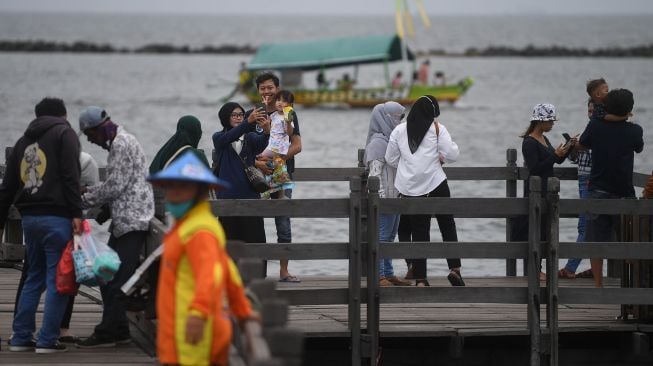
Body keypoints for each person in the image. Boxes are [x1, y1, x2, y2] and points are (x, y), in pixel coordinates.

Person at [147, 151, 258, 365]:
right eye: (169, 186)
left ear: (198, 191)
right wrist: (242, 310)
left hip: (192, 334)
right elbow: (229, 272)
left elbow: (211, 273)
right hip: (190, 329)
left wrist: (198, 313)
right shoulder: (190, 225)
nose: (172, 193)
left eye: (181, 187)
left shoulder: (199, 230)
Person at [1, 97, 83, 353]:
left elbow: (8, 188)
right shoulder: (64, 133)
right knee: (57, 279)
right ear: (63, 114)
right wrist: (77, 213)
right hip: (56, 217)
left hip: (30, 220)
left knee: (33, 278)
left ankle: (20, 337)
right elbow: (71, 175)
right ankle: (48, 340)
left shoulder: (22, 142)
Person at [76, 106, 154, 348]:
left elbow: (114, 187)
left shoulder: (120, 144)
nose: (91, 141)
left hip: (132, 220)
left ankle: (108, 331)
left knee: (115, 278)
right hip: (127, 219)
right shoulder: (125, 140)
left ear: (98, 130)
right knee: (108, 273)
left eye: (90, 136)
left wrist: (85, 197)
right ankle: (119, 329)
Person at [385, 95, 465, 287]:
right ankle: (454, 269)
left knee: (419, 231)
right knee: (447, 224)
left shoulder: (399, 130)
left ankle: (421, 278)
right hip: (436, 183)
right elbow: (452, 155)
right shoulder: (437, 128)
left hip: (409, 187)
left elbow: (390, 158)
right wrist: (439, 157)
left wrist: (408, 167)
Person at [579, 89, 643, 288]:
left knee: (595, 241)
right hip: (625, 192)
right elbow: (639, 148)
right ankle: (631, 284)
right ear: (629, 109)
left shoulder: (596, 125)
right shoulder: (635, 130)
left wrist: (602, 117)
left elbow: (581, 144)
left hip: (598, 189)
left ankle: (599, 285)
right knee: (629, 241)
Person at [245, 72, 302, 282]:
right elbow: (245, 148)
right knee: (253, 221)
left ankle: (284, 271)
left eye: (270, 87)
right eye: (263, 88)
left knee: (283, 221)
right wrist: (259, 162)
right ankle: (253, 271)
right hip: (256, 176)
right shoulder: (254, 115)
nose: (267, 91)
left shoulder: (288, 112)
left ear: (277, 89)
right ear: (258, 91)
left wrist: (277, 160)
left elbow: (297, 145)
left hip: (281, 172)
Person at [516, 103, 572, 281]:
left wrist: (567, 149)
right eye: (550, 121)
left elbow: (554, 161)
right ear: (540, 121)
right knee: (536, 230)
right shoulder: (529, 142)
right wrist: (555, 156)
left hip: (548, 190)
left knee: (546, 230)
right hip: (536, 191)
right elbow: (535, 168)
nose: (553, 124)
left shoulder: (544, 139)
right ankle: (535, 269)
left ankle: (541, 268)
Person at [213, 102, 269, 274]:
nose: (238, 117)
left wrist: (267, 130)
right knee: (229, 239)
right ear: (225, 118)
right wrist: (247, 122)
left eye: (241, 114)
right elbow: (228, 138)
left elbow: (261, 145)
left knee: (255, 238)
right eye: (234, 115)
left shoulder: (250, 137)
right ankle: (229, 276)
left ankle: (258, 276)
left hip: (250, 195)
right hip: (227, 197)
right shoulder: (218, 137)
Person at [365, 101, 412, 287]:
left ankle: (389, 273)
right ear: (385, 118)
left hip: (395, 194)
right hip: (384, 197)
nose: (400, 121)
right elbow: (374, 173)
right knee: (382, 236)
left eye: (402, 117)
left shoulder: (393, 140)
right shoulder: (378, 142)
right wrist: (380, 199)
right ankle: (379, 275)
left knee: (390, 236)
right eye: (397, 117)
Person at [260, 90, 296, 199]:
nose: (280, 103)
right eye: (278, 100)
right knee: (274, 166)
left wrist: (288, 122)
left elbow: (289, 132)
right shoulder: (274, 115)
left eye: (284, 101)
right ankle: (280, 189)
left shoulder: (287, 117)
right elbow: (266, 120)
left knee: (259, 159)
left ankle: (265, 190)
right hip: (273, 146)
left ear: (290, 105)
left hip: (278, 147)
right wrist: (265, 105)